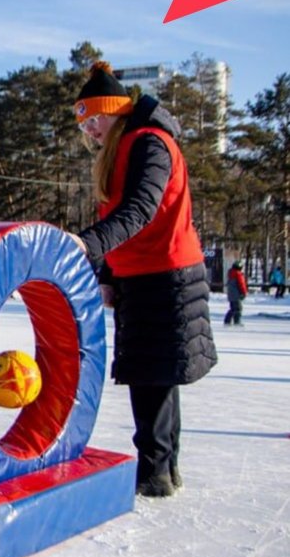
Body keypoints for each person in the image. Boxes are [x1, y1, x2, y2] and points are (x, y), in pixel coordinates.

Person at [70, 61, 217, 498]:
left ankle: (155, 473)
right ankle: (162, 469)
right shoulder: (125, 147)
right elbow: (126, 219)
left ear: (115, 110)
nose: (91, 130)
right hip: (143, 276)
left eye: (95, 118)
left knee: (153, 377)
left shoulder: (150, 143)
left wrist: (88, 246)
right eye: (85, 124)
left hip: (165, 276)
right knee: (154, 377)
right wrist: (110, 273)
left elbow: (139, 211)